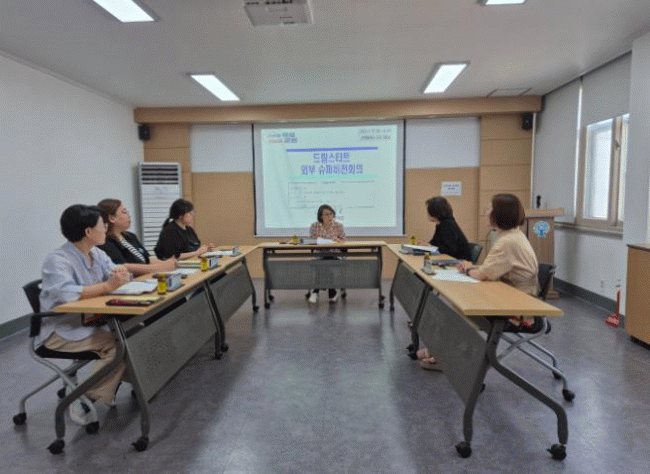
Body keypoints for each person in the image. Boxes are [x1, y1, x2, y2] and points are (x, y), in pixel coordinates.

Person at [39, 205, 130, 424]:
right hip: (62, 332)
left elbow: (115, 272)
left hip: (91, 322)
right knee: (119, 346)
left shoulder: (96, 253)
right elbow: (65, 293)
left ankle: (107, 388)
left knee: (135, 332)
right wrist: (108, 286)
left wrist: (120, 273)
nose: (106, 228)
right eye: (102, 225)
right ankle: (81, 399)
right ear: (88, 232)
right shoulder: (58, 259)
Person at [458, 193, 539, 329]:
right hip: (517, 297)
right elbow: (491, 269)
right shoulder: (514, 235)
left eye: (490, 208)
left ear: (500, 214)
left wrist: (468, 268)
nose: (486, 213)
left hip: (518, 309)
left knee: (460, 304)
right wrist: (473, 267)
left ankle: (454, 342)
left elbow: (482, 275)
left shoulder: (507, 242)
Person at [97, 198, 177, 275]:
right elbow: (124, 266)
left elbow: (148, 259)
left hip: (148, 276)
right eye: (124, 212)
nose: (129, 216)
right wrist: (161, 267)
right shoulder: (105, 242)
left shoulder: (130, 236)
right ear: (112, 218)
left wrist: (167, 264)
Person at [307, 204, 345, 304]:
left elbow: (343, 241)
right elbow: (311, 240)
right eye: (326, 214)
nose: (329, 216)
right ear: (321, 216)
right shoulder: (314, 226)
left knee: (325, 261)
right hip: (319, 255)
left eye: (331, 214)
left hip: (335, 254)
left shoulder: (338, 226)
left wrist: (337, 241)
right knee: (324, 261)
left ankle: (316, 291)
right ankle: (332, 291)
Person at [423, 196, 471, 261]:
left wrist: (429, 247)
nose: (427, 214)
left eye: (428, 211)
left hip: (459, 262)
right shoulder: (441, 224)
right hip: (451, 259)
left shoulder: (448, 225)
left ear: (434, 212)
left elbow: (448, 250)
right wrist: (426, 245)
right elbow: (434, 243)